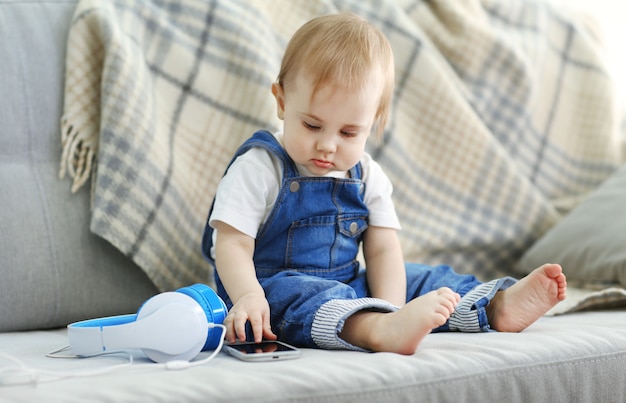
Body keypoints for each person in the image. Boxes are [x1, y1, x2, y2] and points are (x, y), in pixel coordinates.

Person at [201, 12, 567, 354]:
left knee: (423, 278)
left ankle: (495, 307)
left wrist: (394, 306)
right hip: (266, 293)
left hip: (351, 286)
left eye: (348, 132)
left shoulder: (367, 176)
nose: (327, 145)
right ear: (281, 102)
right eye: (312, 125)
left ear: (374, 122)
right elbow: (232, 244)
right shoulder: (261, 166)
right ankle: (375, 330)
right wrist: (248, 296)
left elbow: (382, 251)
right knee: (296, 294)